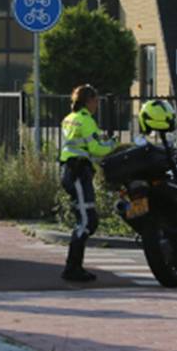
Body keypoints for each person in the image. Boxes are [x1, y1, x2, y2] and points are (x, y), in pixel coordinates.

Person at [58, 84, 115, 282]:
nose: (97, 104)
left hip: (70, 172)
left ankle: (75, 267)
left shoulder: (69, 119)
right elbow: (96, 148)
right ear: (88, 101)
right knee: (87, 221)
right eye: (96, 100)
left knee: (86, 219)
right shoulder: (86, 121)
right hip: (78, 173)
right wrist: (113, 144)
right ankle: (72, 268)